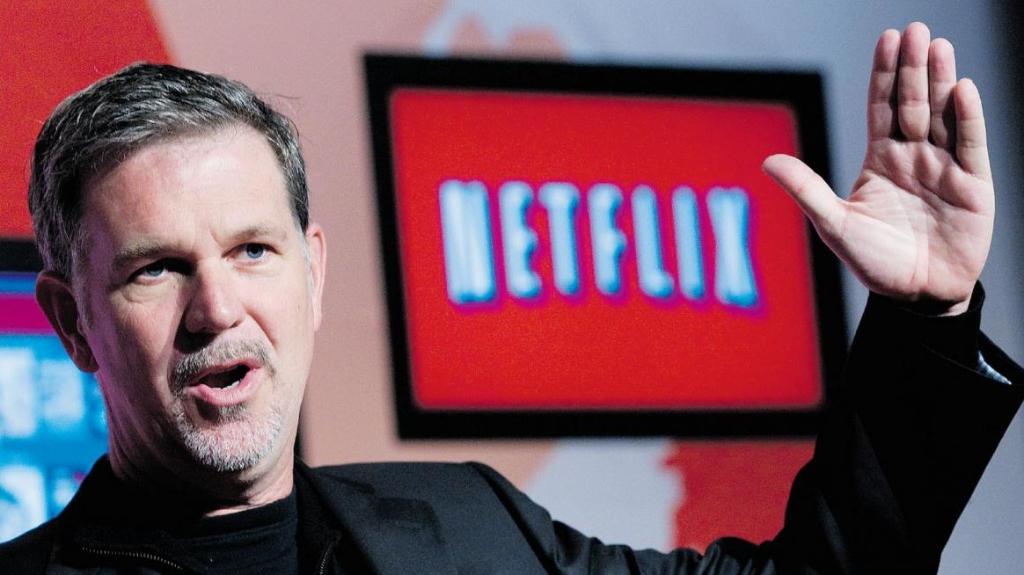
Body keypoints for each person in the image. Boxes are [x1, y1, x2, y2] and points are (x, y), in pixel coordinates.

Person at [1, 21, 1020, 574]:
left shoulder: (468, 524)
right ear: (72, 321)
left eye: (253, 249)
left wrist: (924, 320)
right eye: (156, 268)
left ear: (312, 273)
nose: (218, 307)